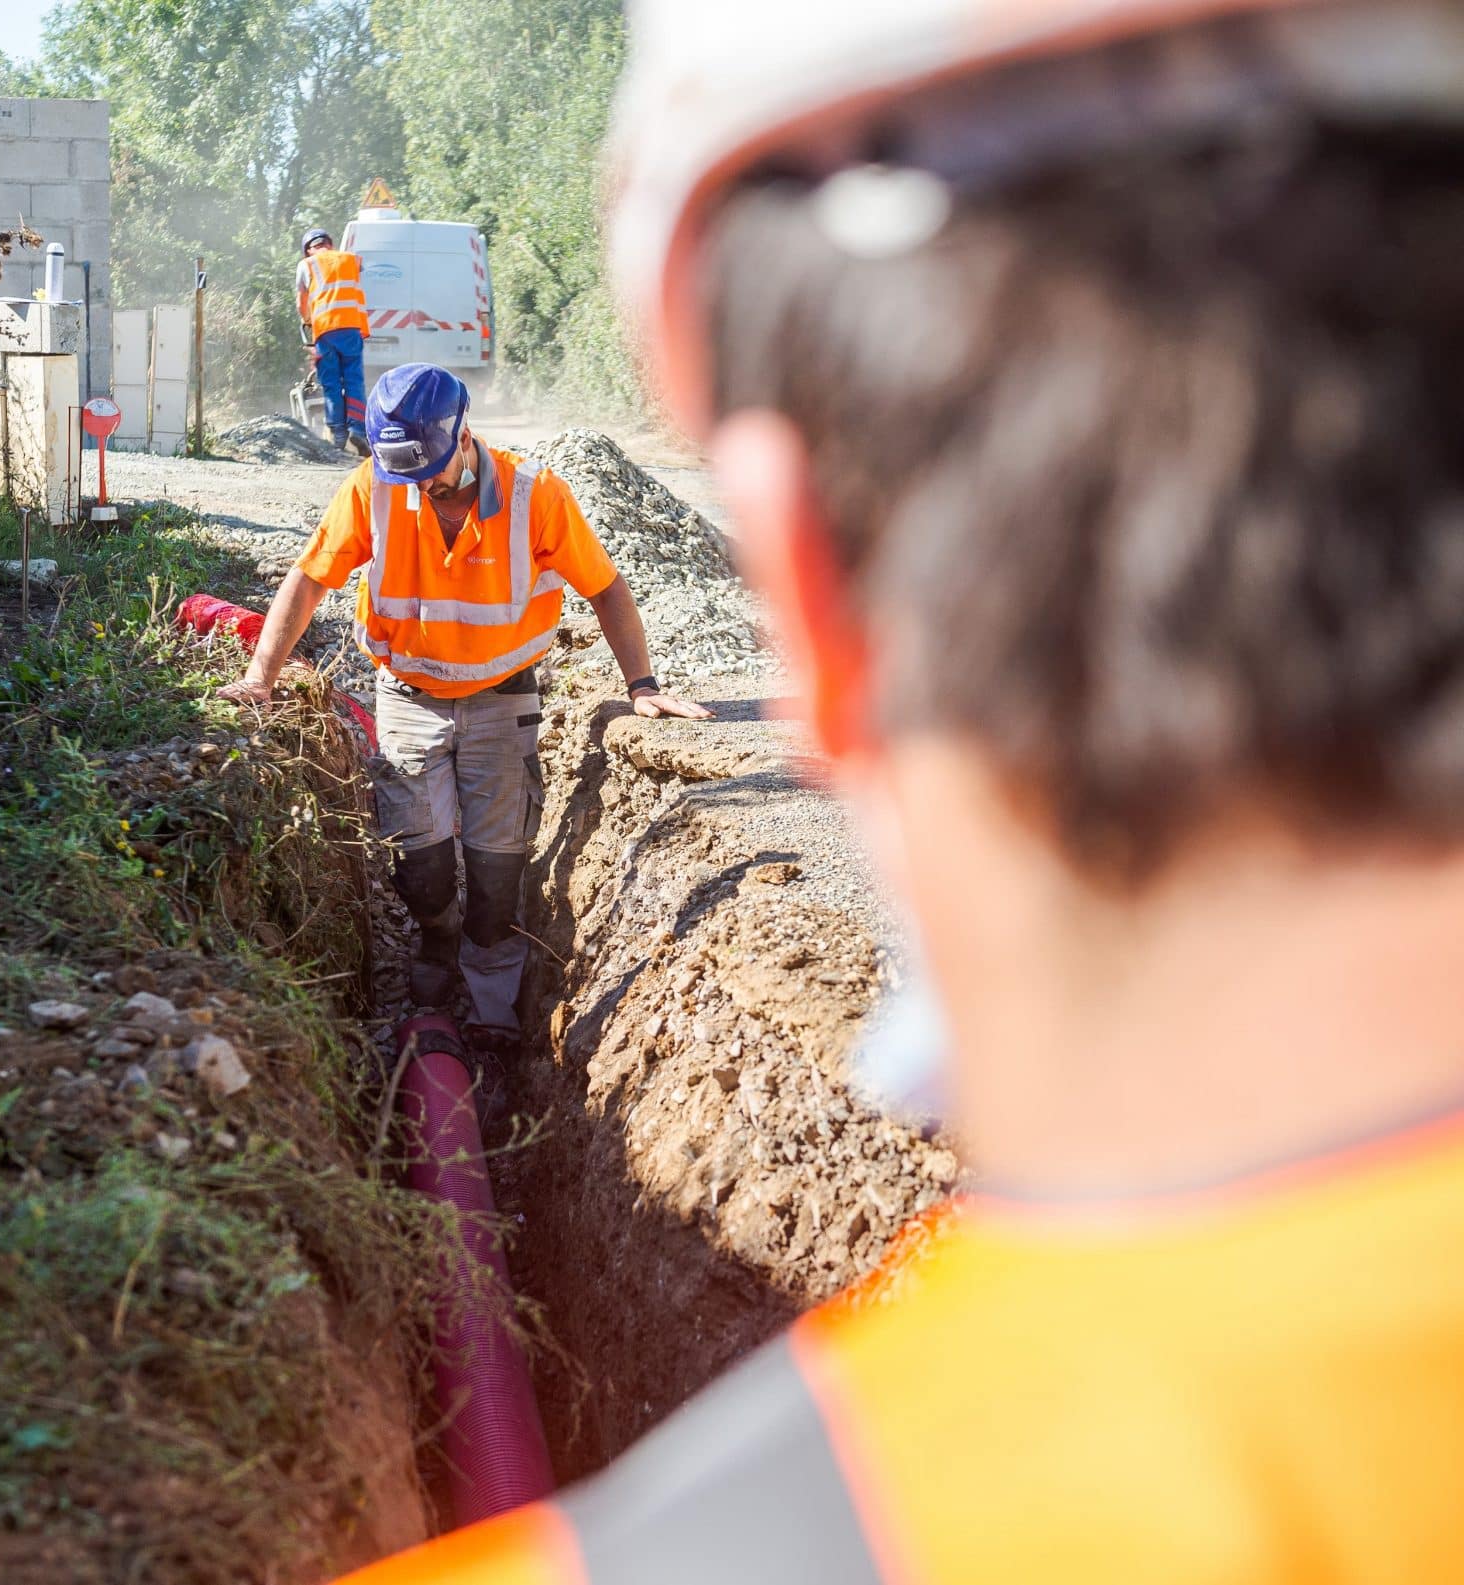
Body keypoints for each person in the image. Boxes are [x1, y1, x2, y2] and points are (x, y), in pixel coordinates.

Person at [330, 0, 1464, 1580]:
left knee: (502, 874)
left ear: (814, 603)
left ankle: (490, 1016)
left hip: (506, 715)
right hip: (426, 708)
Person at [219, 363, 710, 1082]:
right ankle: (434, 941)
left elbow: (606, 588)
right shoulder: (374, 491)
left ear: (463, 435)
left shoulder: (535, 496)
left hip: (502, 701)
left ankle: (490, 996)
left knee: (496, 866)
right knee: (419, 861)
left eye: (430, 473)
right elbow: (310, 577)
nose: (418, 487)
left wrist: (642, 685)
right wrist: (260, 676)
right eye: (404, 474)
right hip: (409, 696)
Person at [297, 226, 371, 452]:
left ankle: (338, 434)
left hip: (325, 331)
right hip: (351, 328)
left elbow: (302, 304)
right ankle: (358, 430)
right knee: (354, 382)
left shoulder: (306, 265)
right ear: (329, 243)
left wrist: (308, 320)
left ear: (309, 249)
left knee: (330, 384)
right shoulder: (351, 259)